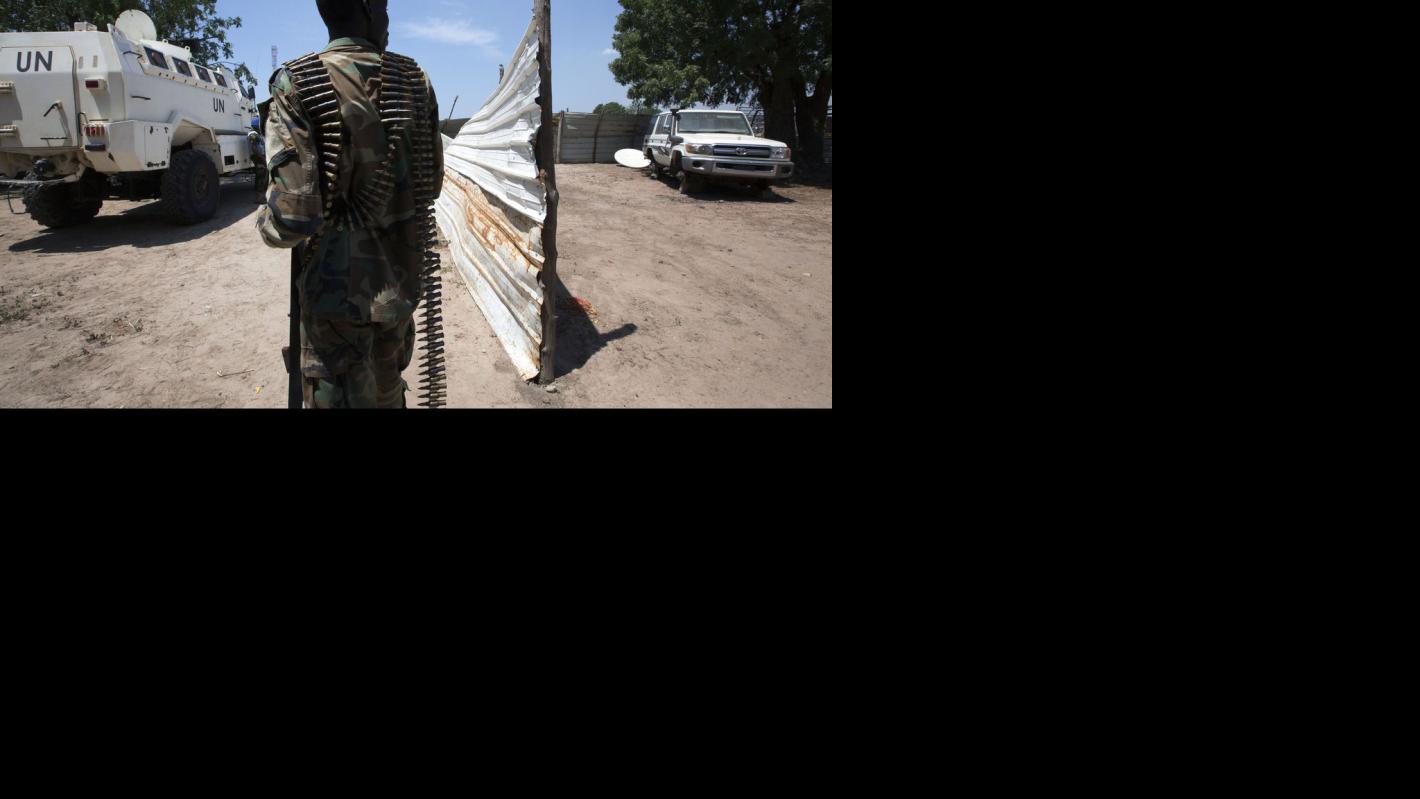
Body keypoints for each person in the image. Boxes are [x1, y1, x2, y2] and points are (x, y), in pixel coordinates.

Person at [256, 0, 442, 408]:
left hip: (333, 306)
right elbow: (430, 186)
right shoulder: (415, 79)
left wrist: (263, 217)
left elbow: (289, 222)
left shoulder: (295, 83)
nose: (388, 18)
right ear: (368, 8)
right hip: (395, 296)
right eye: (385, 6)